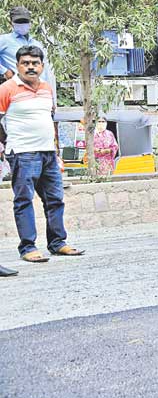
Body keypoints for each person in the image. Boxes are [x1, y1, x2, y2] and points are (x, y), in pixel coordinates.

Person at [0, 45, 83, 262]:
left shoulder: (47, 88)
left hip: (48, 154)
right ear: (17, 66)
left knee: (55, 199)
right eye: (25, 63)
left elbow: (49, 119)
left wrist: (55, 152)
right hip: (22, 153)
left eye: (35, 63)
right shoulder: (7, 89)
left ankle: (57, 243)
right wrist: (5, 146)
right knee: (24, 200)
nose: (30, 67)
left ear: (42, 66)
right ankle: (28, 247)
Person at [0, 7, 57, 98]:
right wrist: (4, 71)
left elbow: (45, 71)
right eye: (19, 22)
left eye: (24, 21)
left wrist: (51, 96)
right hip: (18, 91)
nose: (22, 24)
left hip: (40, 92)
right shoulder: (4, 40)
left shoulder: (37, 44)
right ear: (11, 23)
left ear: (30, 23)